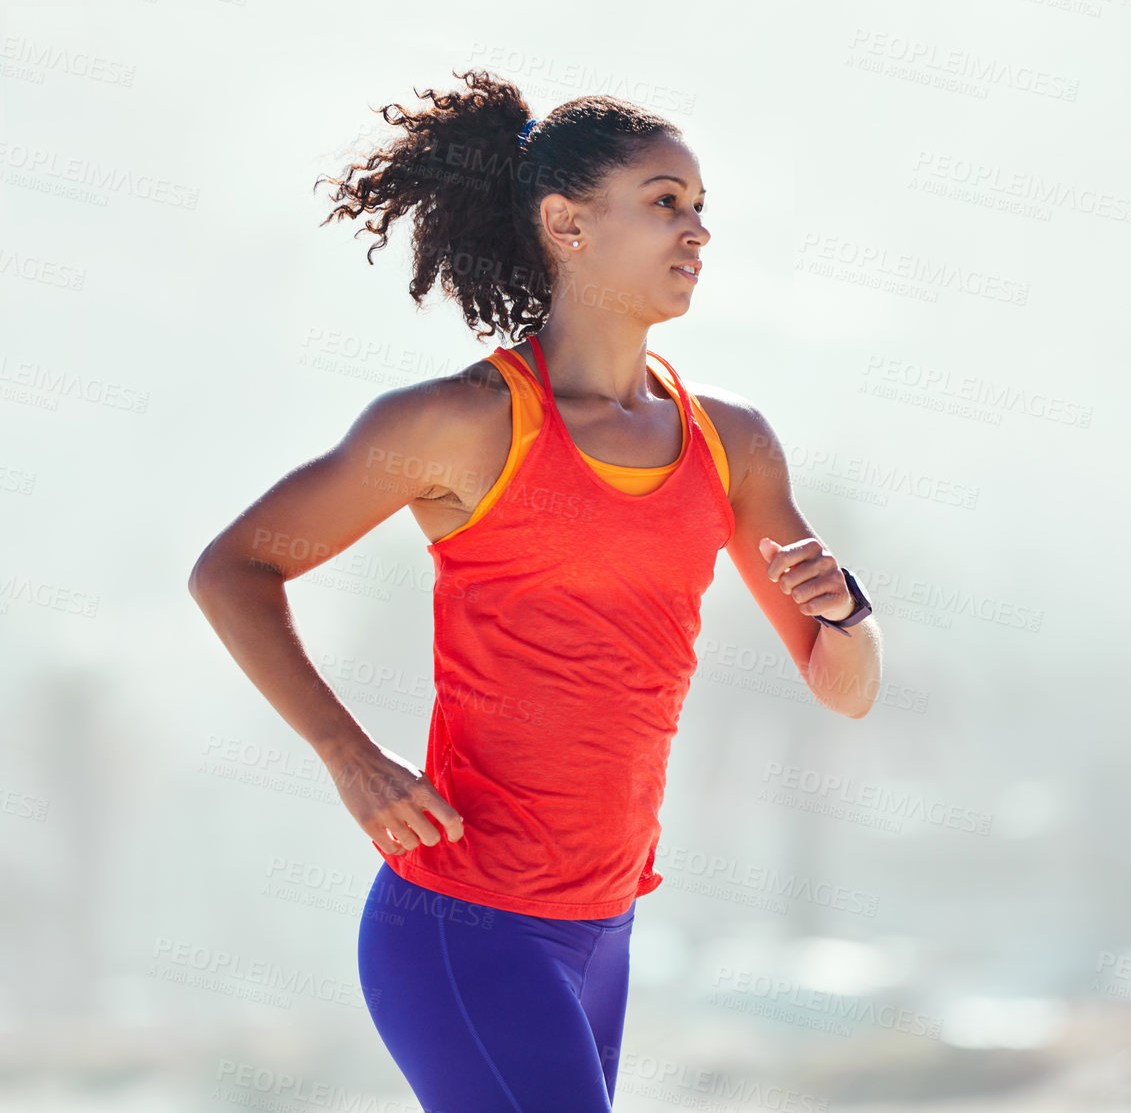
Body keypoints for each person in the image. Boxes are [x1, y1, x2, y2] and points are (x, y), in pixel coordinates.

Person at [187, 68, 883, 1112]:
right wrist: (351, 756)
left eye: (699, 208)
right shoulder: (462, 424)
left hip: (604, 928)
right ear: (565, 223)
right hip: (465, 924)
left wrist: (846, 610)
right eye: (663, 203)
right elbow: (233, 568)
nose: (696, 231)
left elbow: (846, 686)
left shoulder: (730, 441)